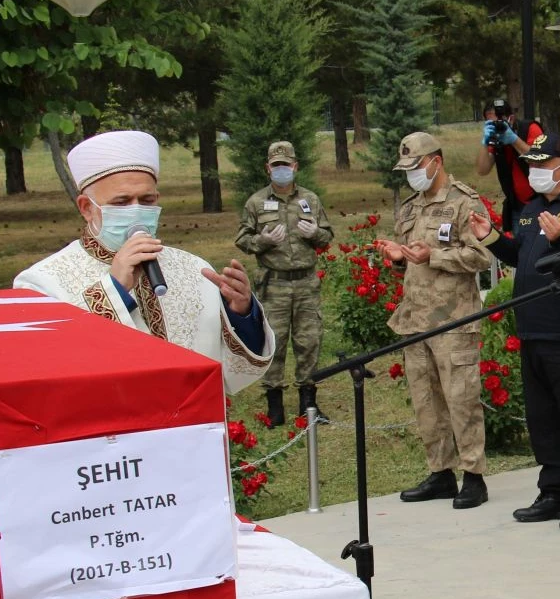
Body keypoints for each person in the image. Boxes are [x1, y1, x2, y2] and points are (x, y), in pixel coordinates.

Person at [16, 130, 274, 394]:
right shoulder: (41, 282)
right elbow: (49, 372)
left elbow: (234, 371)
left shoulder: (195, 268)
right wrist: (113, 289)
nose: (137, 210)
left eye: (147, 200)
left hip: (193, 428)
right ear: (86, 208)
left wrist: (242, 313)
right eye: (122, 201)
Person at [470, 134, 560, 531]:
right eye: (530, 166)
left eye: (541, 166)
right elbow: (523, 255)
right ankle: (554, 490)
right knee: (543, 420)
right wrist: (491, 237)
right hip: (534, 328)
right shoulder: (533, 205)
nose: (533, 174)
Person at [379, 132, 493, 510]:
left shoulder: (464, 202)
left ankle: (473, 476)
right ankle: (440, 472)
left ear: (436, 161)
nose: (412, 175)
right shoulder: (411, 207)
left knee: (461, 399)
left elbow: (481, 256)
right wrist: (398, 257)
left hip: (454, 319)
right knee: (426, 402)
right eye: (406, 169)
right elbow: (412, 258)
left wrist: (434, 256)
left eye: (416, 167)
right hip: (415, 316)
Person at [234, 141, 334, 425]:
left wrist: (315, 232)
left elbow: (327, 237)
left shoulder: (310, 200)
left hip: (305, 282)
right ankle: (274, 406)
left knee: (309, 340)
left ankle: (308, 403)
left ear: (295, 167)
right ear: (268, 168)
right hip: (274, 284)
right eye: (276, 166)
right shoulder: (255, 202)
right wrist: (262, 241)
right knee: (273, 342)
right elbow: (242, 240)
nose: (281, 170)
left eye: (286, 165)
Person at [474, 98, 547, 232]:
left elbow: (539, 159)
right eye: (491, 124)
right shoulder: (495, 140)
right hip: (516, 205)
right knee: (519, 248)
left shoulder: (530, 128)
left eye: (499, 123)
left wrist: (513, 139)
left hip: (542, 203)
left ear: (511, 119)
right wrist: (485, 143)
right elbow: (482, 170)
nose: (497, 127)